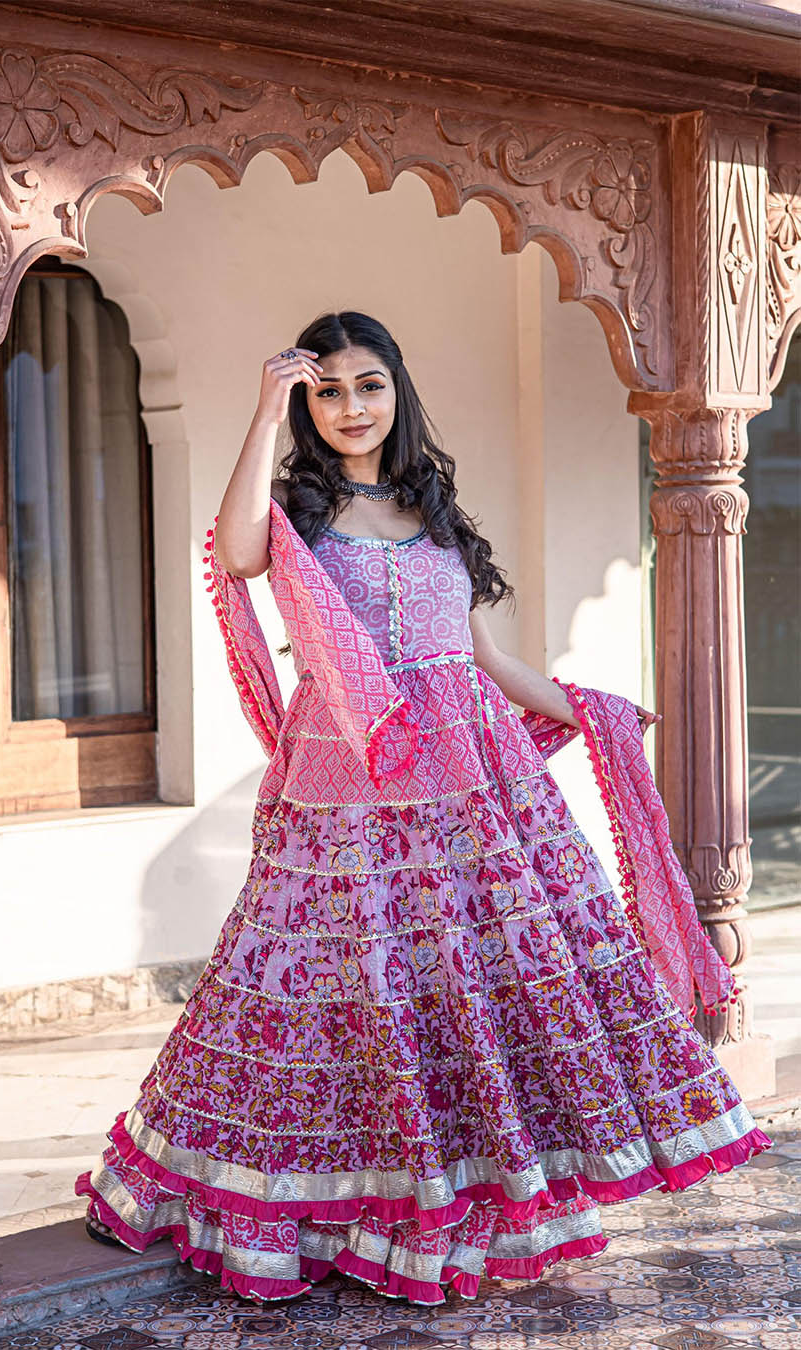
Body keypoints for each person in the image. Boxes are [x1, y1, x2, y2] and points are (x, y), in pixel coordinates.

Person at [76, 310, 772, 1305]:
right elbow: (230, 556)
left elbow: (480, 659)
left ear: (395, 390)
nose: (349, 407)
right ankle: (306, 1200)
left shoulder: (432, 507)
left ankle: (462, 1192)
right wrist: (265, 408)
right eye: (327, 390)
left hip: (469, 785)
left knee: (465, 989)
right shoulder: (295, 511)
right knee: (335, 991)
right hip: (347, 784)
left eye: (366, 385)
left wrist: (593, 709)